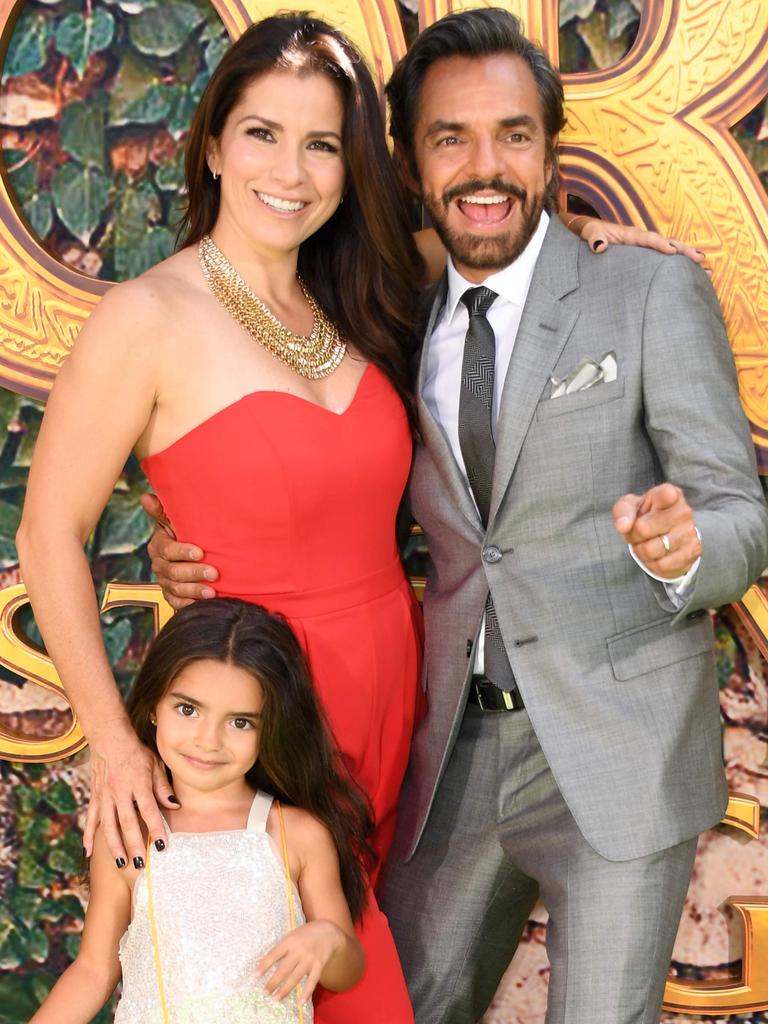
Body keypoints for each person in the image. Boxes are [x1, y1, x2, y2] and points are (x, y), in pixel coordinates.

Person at [17, 14, 424, 1021]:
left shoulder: (364, 297)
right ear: (210, 145)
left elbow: (496, 248)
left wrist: (589, 236)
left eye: (321, 142)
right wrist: (115, 743)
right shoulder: (147, 317)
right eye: (261, 133)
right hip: (261, 729)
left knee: (315, 967)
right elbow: (46, 535)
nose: (291, 169)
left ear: (351, 163)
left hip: (384, 719)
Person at [370, 9, 768, 1024]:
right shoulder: (386, 313)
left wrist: (687, 551)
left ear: (549, 149)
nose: (485, 165)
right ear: (413, 165)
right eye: (449, 137)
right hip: (449, 760)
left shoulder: (645, 288)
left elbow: (737, 511)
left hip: (616, 747)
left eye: (513, 133)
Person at [29, 598, 368, 1024]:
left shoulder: (295, 834)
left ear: (272, 727)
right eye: (187, 710)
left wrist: (330, 939)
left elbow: (346, 971)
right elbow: (94, 971)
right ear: (154, 705)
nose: (208, 740)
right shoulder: (127, 834)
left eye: (240, 722)